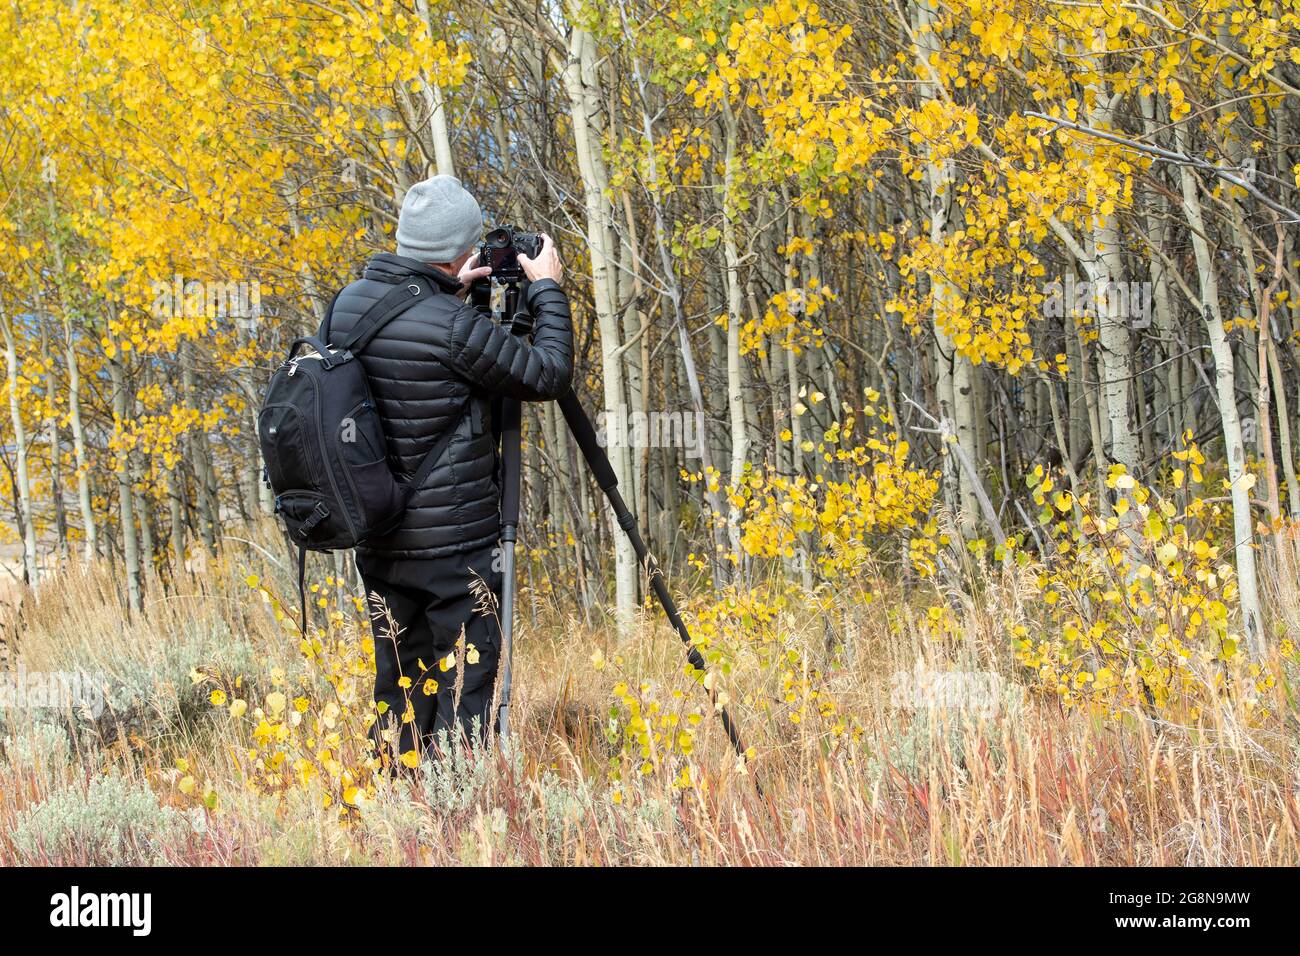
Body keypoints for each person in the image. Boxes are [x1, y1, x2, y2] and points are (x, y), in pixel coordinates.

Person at [321, 174, 573, 760]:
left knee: (403, 686)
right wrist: (548, 291)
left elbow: (408, 351)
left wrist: (447, 287)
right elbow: (548, 373)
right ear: (460, 252)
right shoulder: (454, 327)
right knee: (467, 689)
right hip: (455, 549)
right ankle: (461, 811)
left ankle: (398, 814)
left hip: (380, 541)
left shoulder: (347, 307)